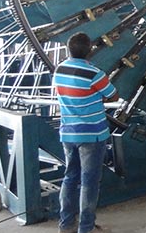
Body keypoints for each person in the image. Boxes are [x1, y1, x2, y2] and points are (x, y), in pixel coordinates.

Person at [54, 32, 118, 233]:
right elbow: (113, 95)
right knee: (89, 182)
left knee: (70, 177)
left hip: (68, 133)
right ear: (90, 51)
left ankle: (66, 224)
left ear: (68, 49)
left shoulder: (59, 70)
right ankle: (86, 227)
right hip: (92, 134)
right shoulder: (94, 73)